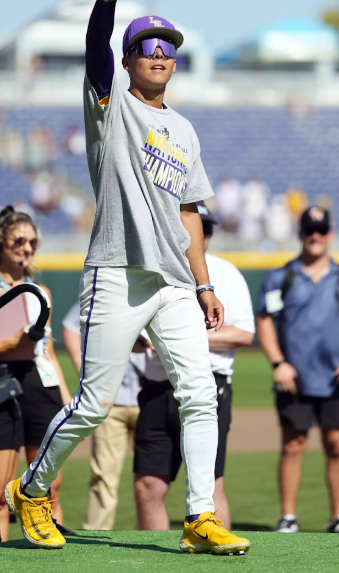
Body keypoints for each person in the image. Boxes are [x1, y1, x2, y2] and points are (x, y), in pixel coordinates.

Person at [5, 0, 250, 555]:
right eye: (148, 46)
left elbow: (190, 213)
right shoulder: (110, 107)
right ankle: (31, 489)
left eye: (169, 47)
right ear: (130, 58)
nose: (161, 53)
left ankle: (198, 517)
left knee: (200, 394)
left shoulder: (185, 129)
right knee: (91, 405)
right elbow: (93, 49)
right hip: (117, 269)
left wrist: (204, 284)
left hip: (172, 282)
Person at [0, 207, 73, 545]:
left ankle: (55, 564)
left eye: (33, 242)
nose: (26, 247)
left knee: (49, 492)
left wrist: (66, 401)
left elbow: (47, 351)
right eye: (18, 240)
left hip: (41, 388)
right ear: (0, 244)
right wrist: (12, 343)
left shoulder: (42, 292)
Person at [134, 203, 255, 530]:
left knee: (212, 485)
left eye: (205, 228)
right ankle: (151, 560)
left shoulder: (225, 272)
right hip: (157, 386)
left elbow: (243, 333)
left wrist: (177, 341)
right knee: (148, 485)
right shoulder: (154, 271)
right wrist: (143, 339)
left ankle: (219, 552)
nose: (199, 234)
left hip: (209, 383)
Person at [256, 206, 339, 534]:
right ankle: (289, 517)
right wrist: (278, 362)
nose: (315, 236)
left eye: (321, 230)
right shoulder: (283, 276)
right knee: (293, 445)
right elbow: (264, 319)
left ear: (331, 234)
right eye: (310, 229)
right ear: (300, 233)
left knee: (337, 444)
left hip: (337, 377)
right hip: (294, 379)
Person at [64, 303, 145, 531]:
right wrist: (86, 371)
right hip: (110, 400)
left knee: (152, 479)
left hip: (153, 396)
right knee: (104, 476)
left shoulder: (162, 283)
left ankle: (151, 537)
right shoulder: (106, 282)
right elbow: (69, 327)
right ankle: (95, 537)